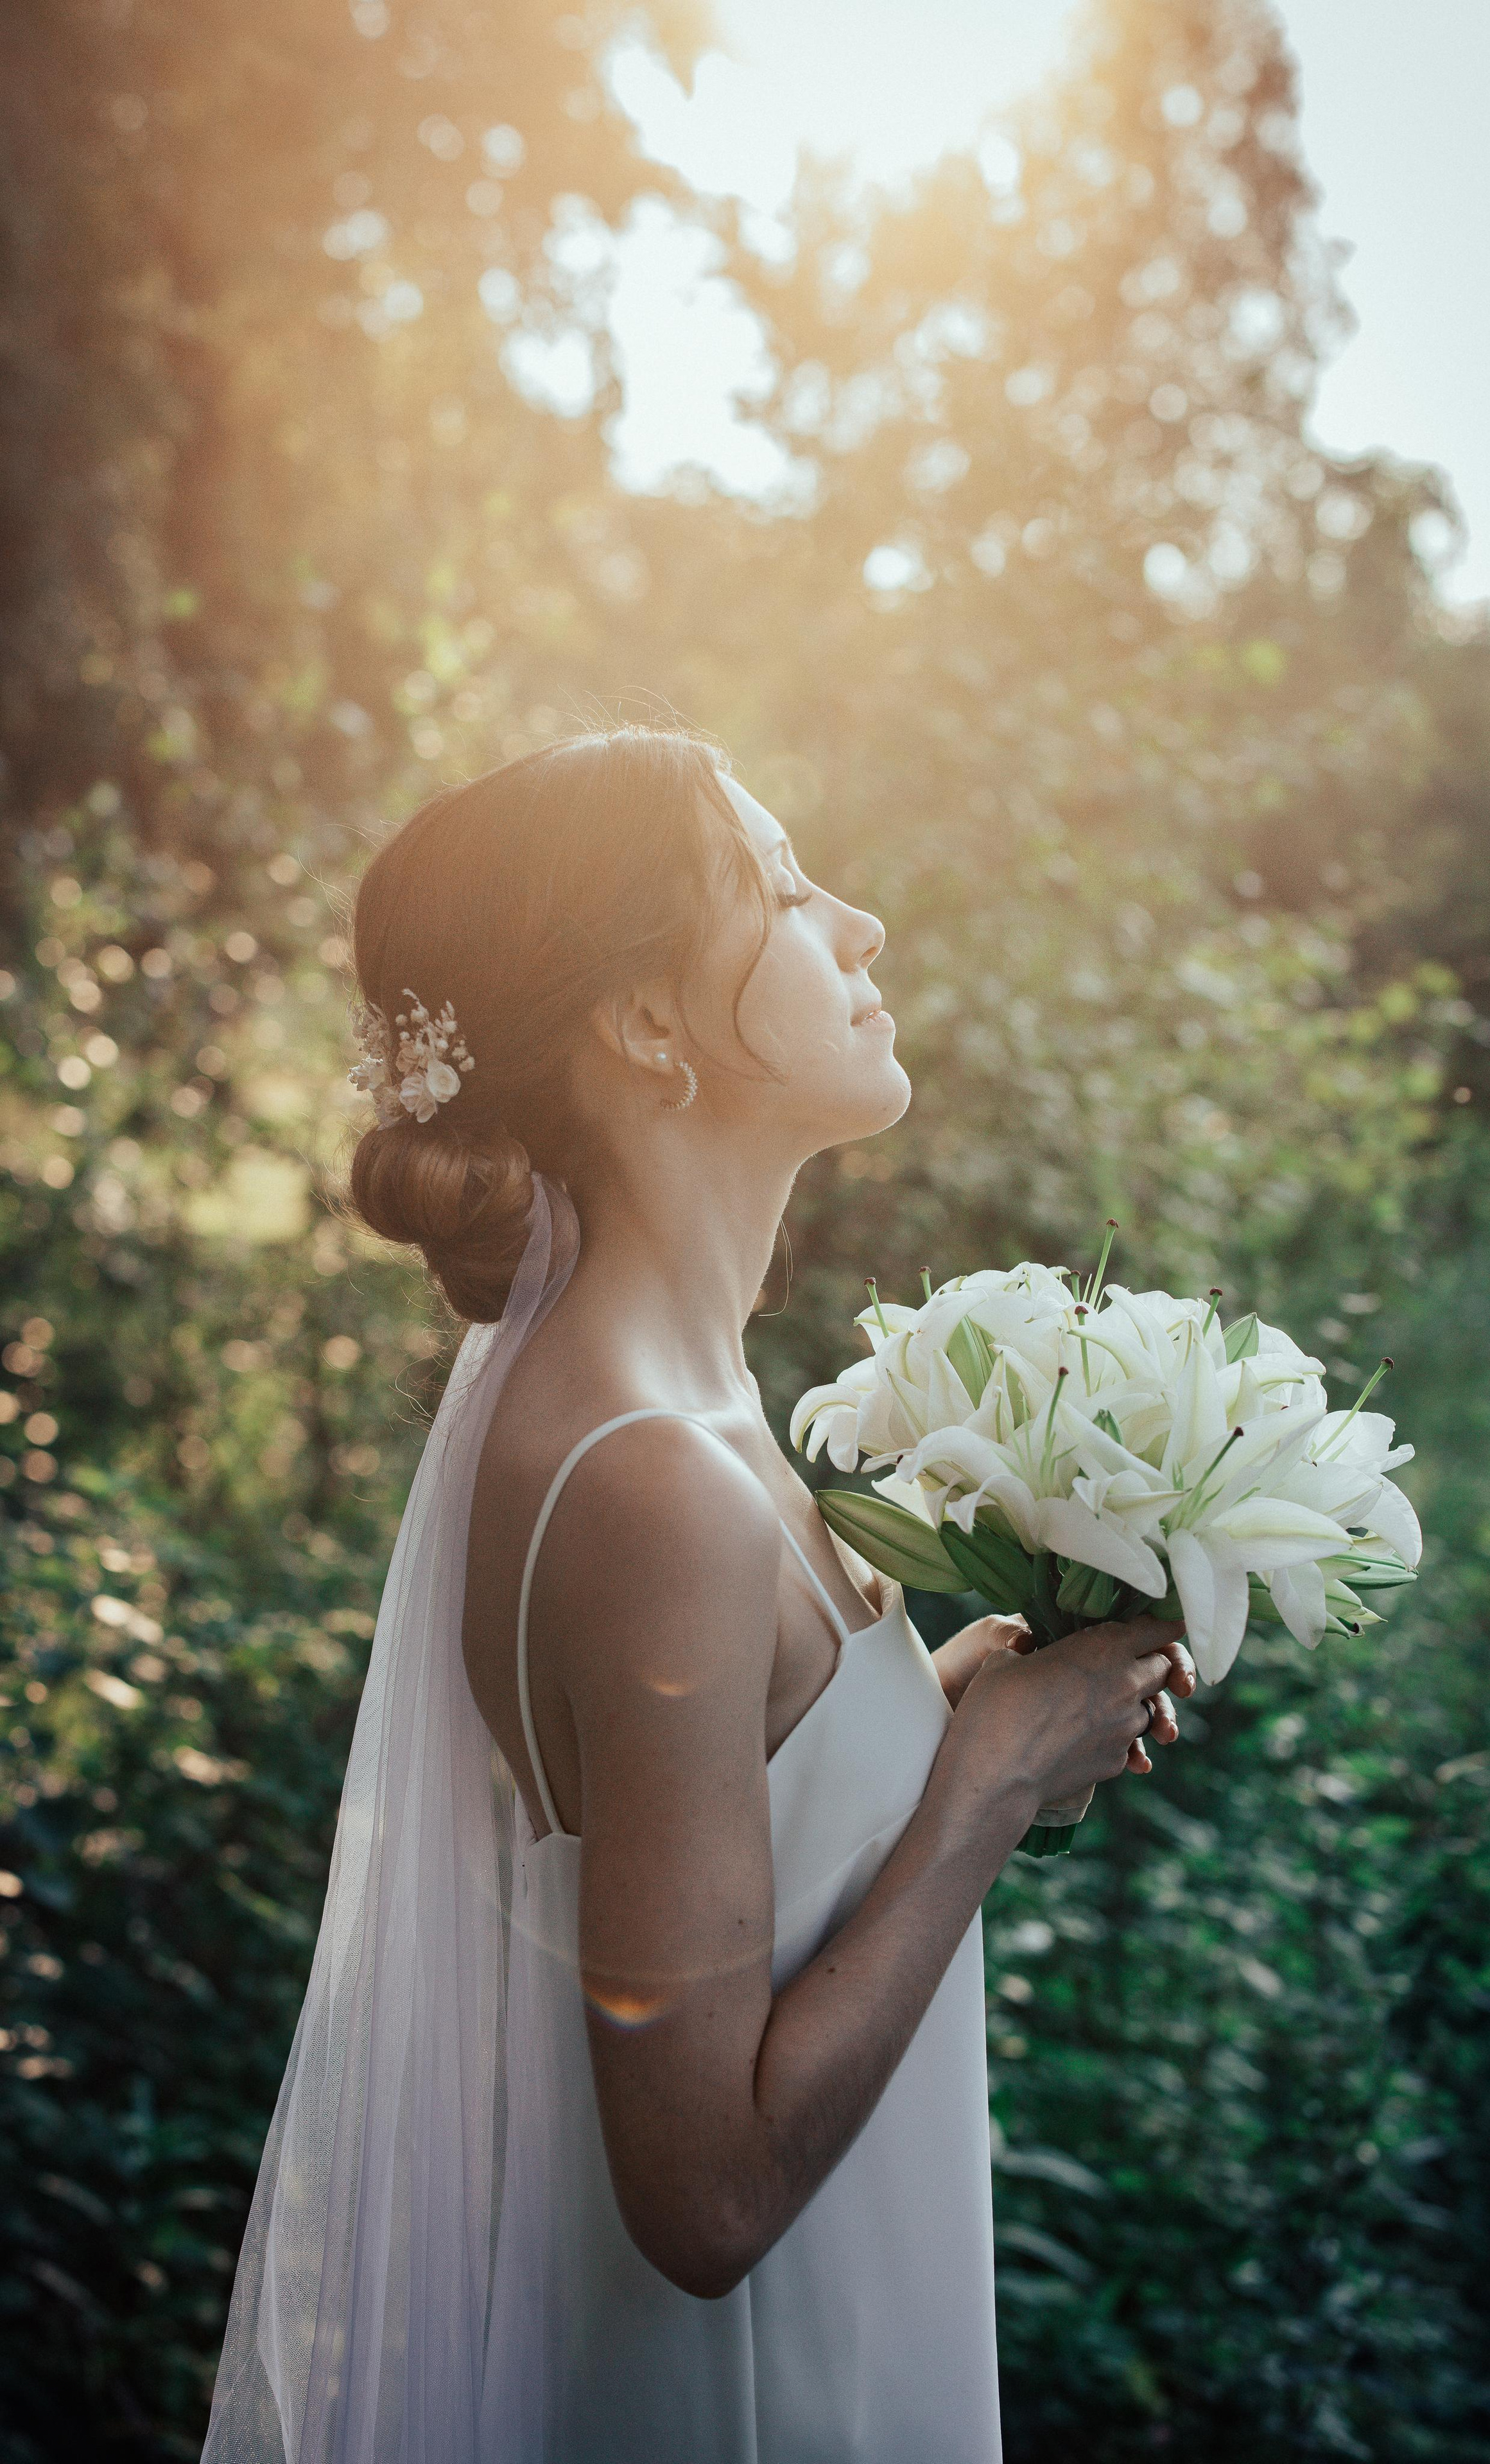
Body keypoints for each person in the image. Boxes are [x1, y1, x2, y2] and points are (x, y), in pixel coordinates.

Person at [200, 723, 1193, 2464]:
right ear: (648, 1027)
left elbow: (727, 1819)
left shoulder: (686, 1407)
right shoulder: (650, 1476)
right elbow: (707, 2196)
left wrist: (912, 1727)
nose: (863, 923)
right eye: (789, 893)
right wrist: (989, 1789)